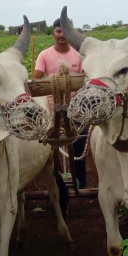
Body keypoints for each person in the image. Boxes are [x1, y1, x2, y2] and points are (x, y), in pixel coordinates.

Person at [33, 17, 87, 189]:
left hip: (76, 110)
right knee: (51, 151)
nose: (61, 35)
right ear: (53, 34)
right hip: (51, 111)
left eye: (65, 31)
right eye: (58, 31)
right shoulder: (44, 55)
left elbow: (85, 79)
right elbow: (36, 80)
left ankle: (81, 182)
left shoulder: (78, 55)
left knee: (79, 147)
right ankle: (57, 185)